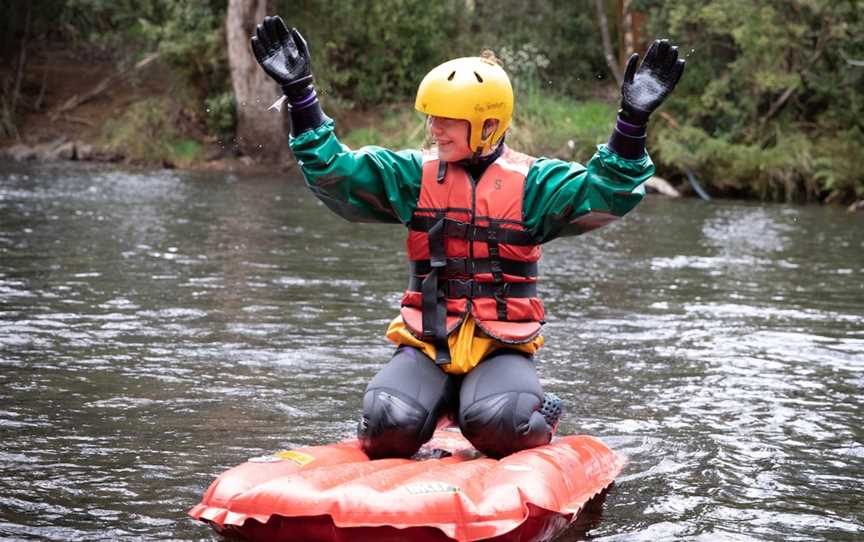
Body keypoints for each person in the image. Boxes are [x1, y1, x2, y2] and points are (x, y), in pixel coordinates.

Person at [251, 16, 684, 459]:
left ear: (489, 125)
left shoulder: (536, 184)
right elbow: (333, 170)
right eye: (433, 118)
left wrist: (632, 120)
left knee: (503, 424)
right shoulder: (411, 176)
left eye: (448, 121)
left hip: (501, 347)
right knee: (386, 424)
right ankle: (429, 408)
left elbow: (609, 191)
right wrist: (301, 93)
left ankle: (537, 414)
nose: (434, 128)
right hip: (427, 344)